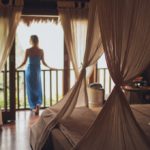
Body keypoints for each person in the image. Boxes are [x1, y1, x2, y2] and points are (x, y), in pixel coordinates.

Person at [17, 35, 53, 114]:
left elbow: (24, 62)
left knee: (31, 89)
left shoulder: (28, 50)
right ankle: (37, 106)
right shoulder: (41, 51)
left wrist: (17, 68)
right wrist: (50, 67)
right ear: (37, 40)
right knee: (38, 88)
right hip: (37, 71)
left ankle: (34, 107)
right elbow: (43, 62)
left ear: (31, 41)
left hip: (30, 71)